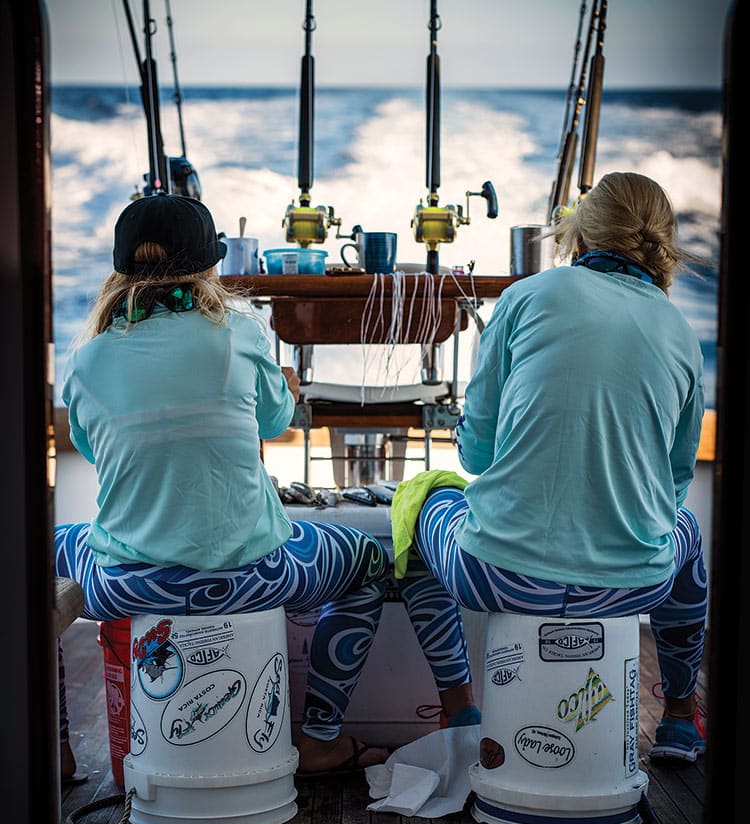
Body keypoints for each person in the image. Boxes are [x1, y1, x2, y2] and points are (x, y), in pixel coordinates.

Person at [54, 193, 397, 777]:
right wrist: (282, 383)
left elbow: (96, 452)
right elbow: (274, 422)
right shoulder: (240, 333)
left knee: (42, 551)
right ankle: (318, 738)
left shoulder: (88, 359)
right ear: (209, 267)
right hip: (252, 578)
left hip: (126, 585)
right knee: (369, 562)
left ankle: (54, 751)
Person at [395, 171, 708, 763]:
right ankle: (681, 718)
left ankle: (462, 710)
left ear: (580, 239)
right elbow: (670, 489)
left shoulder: (526, 297)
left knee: (417, 506)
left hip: (499, 575)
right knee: (685, 532)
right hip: (630, 586)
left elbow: (477, 458)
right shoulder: (680, 334)